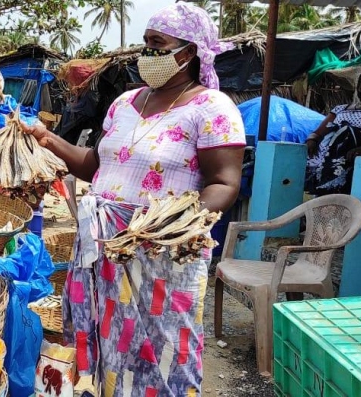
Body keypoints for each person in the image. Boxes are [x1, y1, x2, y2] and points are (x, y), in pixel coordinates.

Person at [21, 3, 245, 396]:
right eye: (146, 43)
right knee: (113, 343)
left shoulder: (212, 108)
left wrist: (165, 227)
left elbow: (224, 183)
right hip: (107, 249)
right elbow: (95, 166)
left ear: (189, 52)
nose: (147, 53)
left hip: (163, 251)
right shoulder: (126, 102)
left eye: (157, 44)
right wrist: (46, 137)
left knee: (165, 347)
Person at [305, 70, 361, 195]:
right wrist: (311, 140)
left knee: (347, 131)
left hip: (358, 153)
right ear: (357, 89)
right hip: (330, 149)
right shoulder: (340, 109)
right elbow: (318, 132)